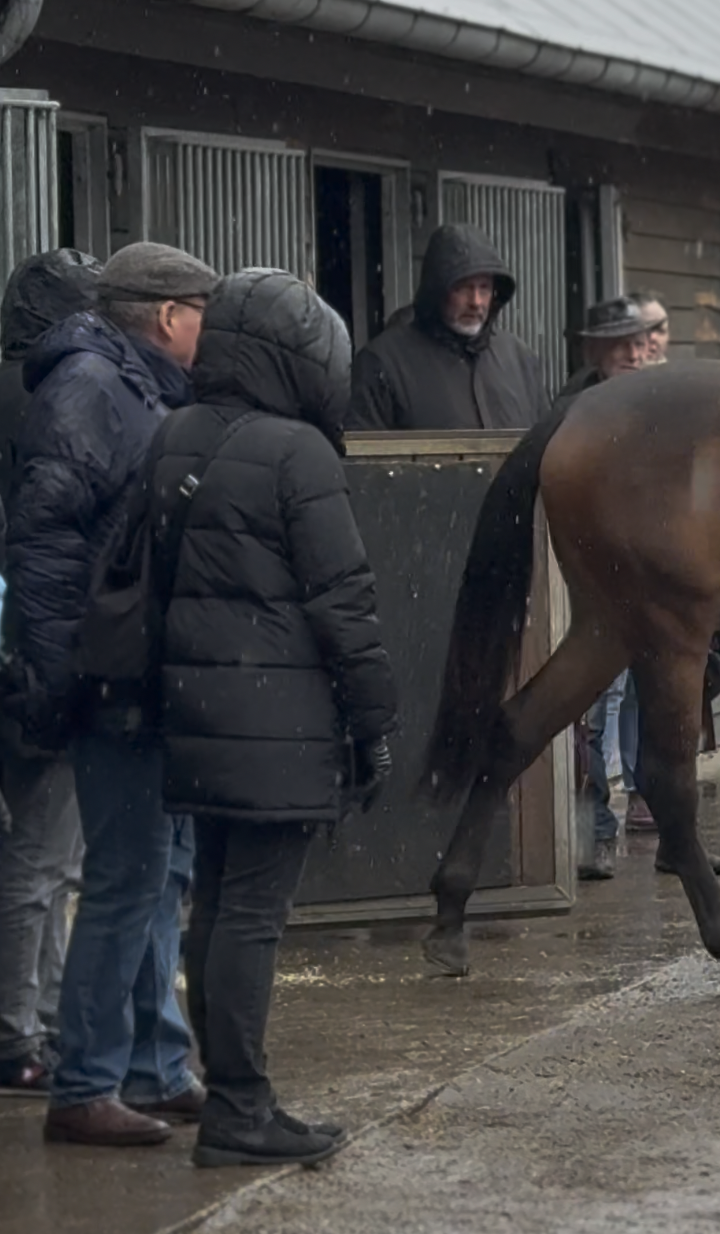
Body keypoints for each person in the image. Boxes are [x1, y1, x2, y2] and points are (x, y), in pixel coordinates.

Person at [151, 268, 396, 1167]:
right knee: (253, 916)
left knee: (213, 907)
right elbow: (344, 603)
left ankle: (230, 1097)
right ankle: (242, 1111)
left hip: (196, 716)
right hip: (280, 720)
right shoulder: (299, 453)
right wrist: (374, 723)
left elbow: (149, 583)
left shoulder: (172, 434)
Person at [7, 242, 216, 1146]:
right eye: (202, 309)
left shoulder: (129, 385)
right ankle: (87, 1084)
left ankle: (154, 1065)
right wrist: (61, 684)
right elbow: (48, 547)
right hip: (112, 677)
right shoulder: (94, 388)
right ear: (168, 316)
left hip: (138, 669)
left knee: (155, 872)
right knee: (125, 878)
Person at [0, 249, 100, 1094]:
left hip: (9, 650)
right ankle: (22, 1033)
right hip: (36, 656)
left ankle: (35, 1025)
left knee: (33, 854)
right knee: (45, 858)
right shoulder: (55, 403)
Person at [556, 296, 659, 881]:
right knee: (592, 710)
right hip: (593, 584)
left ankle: (663, 814)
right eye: (618, 341)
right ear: (594, 349)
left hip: (659, 582)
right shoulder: (575, 410)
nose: (631, 351)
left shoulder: (664, 406)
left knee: (659, 701)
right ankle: (592, 831)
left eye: (638, 339)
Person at [348, 223, 548, 431]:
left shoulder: (520, 360)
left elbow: (544, 448)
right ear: (436, 290)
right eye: (462, 288)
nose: (476, 302)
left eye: (485, 288)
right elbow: (364, 458)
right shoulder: (383, 363)